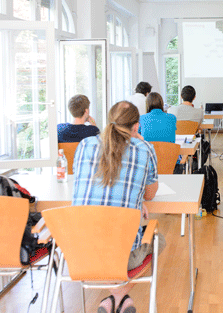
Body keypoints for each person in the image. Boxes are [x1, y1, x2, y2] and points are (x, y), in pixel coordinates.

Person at [72, 101, 163, 313]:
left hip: (79, 251)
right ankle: (121, 298)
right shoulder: (144, 149)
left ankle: (114, 302)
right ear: (136, 126)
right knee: (159, 239)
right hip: (121, 254)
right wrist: (139, 200)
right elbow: (150, 193)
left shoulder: (84, 145)